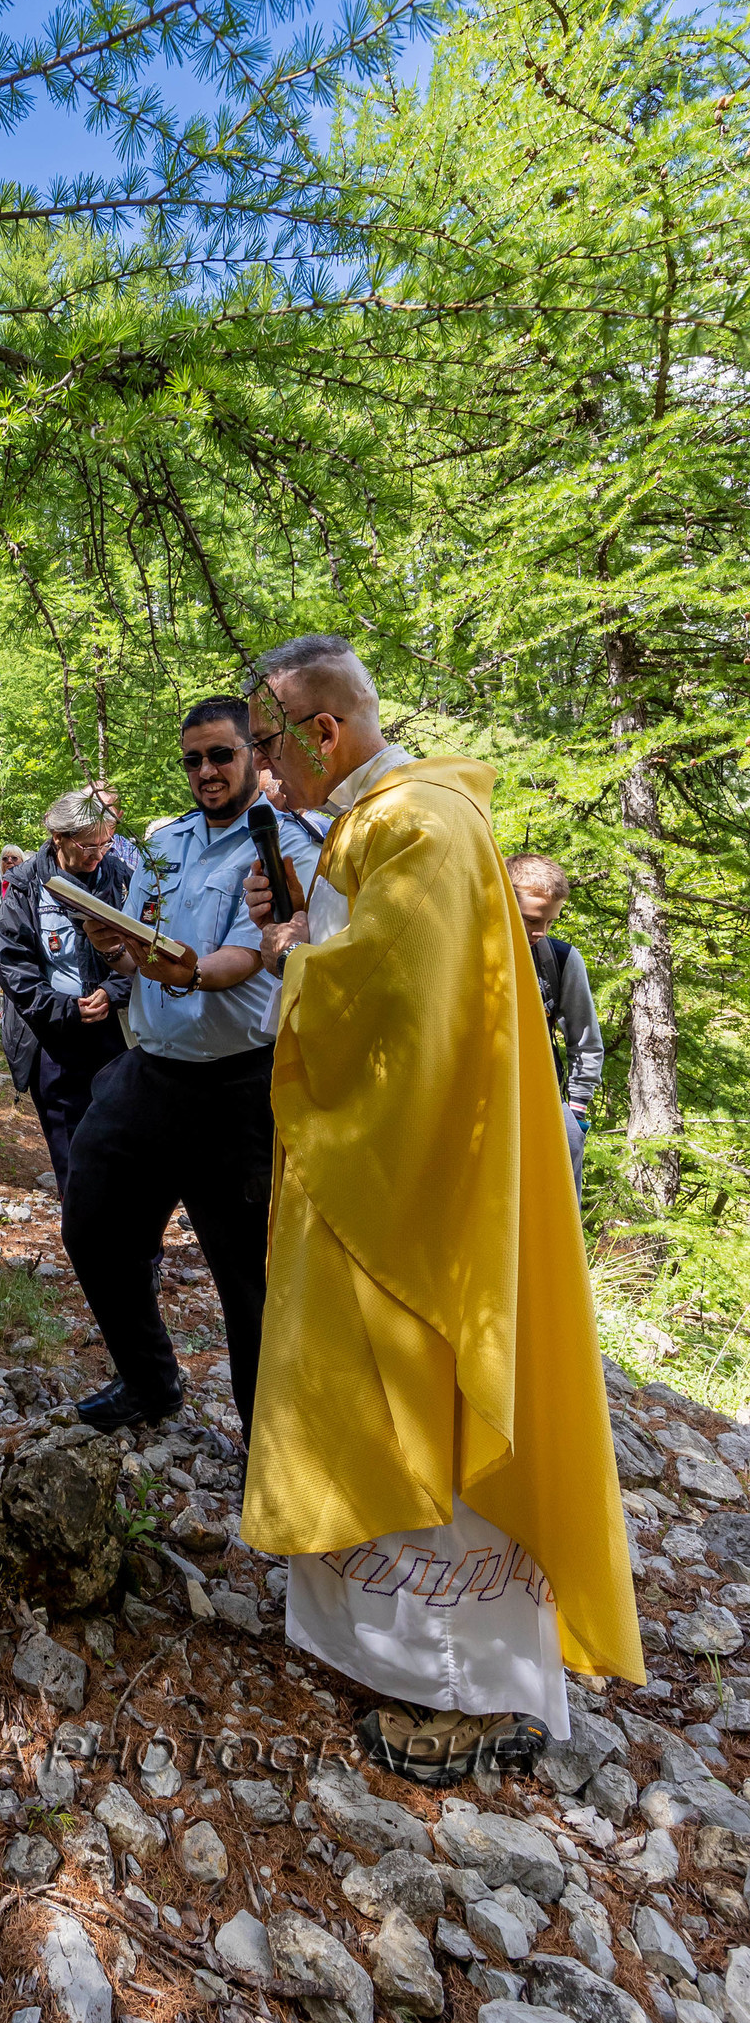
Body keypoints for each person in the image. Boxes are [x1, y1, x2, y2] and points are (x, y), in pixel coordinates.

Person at [240, 633, 641, 1786]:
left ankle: (465, 1697)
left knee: (428, 1406)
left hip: (416, 1193)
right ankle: (385, 1653)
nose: (263, 769)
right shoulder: (386, 820)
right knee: (369, 1402)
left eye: (268, 743)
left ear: (323, 732)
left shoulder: (419, 823)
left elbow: (400, 1009)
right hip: (376, 1175)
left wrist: (289, 961)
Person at [65, 699, 320, 1437]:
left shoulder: (287, 844)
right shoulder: (164, 843)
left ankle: (267, 1449)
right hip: (150, 1070)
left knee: (246, 1277)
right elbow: (142, 949)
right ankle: (150, 1382)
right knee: (93, 1224)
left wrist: (183, 970)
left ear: (253, 756)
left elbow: (250, 957)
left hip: (238, 1088)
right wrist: (113, 945)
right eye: (193, 760)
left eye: (220, 755)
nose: (205, 771)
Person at [0, 790, 133, 1197]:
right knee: (71, 1153)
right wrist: (64, 1008)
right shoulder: (24, 885)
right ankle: (83, 1228)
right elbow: (13, 964)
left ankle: (127, 1232)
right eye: (89, 846)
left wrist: (112, 990)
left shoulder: (121, 879)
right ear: (59, 837)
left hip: (116, 1032)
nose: (99, 855)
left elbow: (146, 953)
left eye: (106, 843)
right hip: (52, 1036)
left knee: (121, 1143)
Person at [506, 853, 605, 1205]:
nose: (541, 932)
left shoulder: (559, 960)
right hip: (475, 1092)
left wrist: (576, 1110)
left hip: (541, 1094)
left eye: (550, 922)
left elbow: (585, 1040)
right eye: (531, 919)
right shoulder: (463, 951)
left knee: (568, 1150)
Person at [89, 781, 140, 874]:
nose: (97, 818)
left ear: (119, 816)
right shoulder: (67, 844)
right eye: (90, 811)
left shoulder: (130, 853)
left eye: (106, 813)